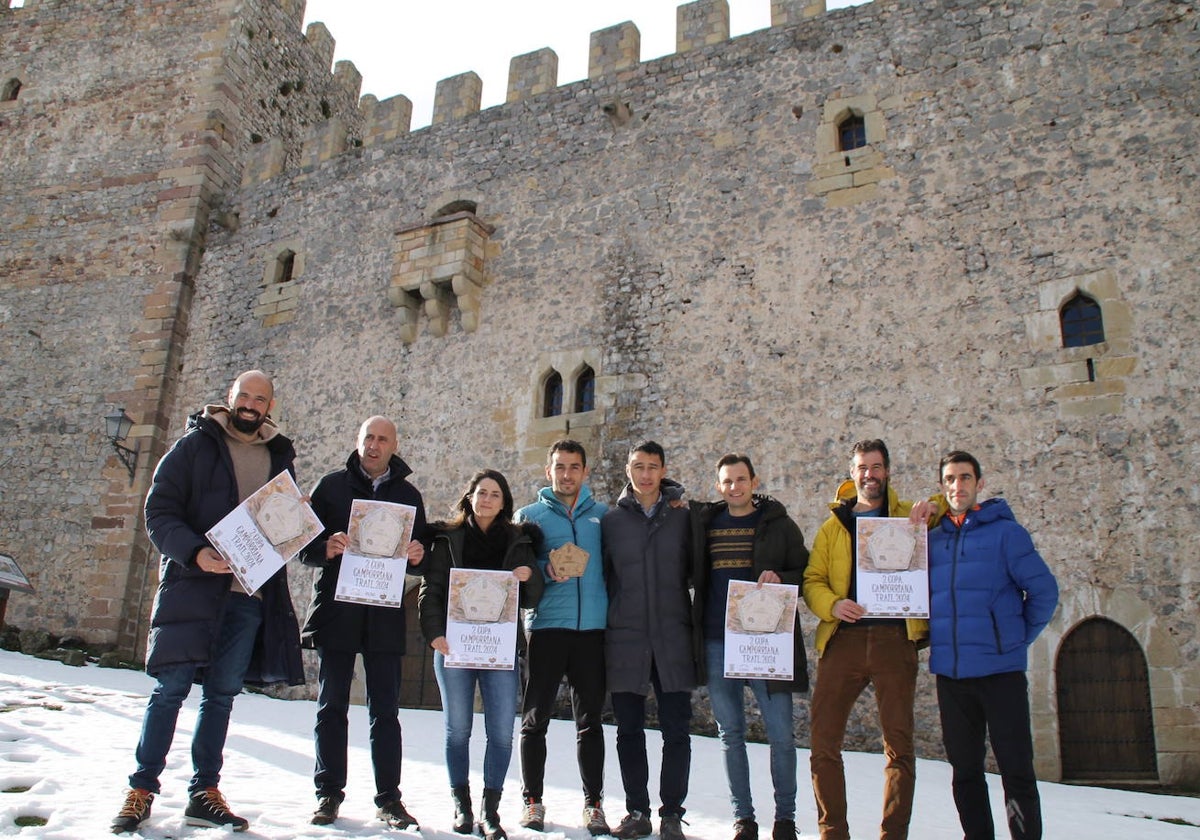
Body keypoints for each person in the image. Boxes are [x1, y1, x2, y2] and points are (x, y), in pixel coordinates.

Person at [111, 370, 305, 834]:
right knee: (170, 691)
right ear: (230, 399)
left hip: (247, 596)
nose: (250, 405)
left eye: (260, 399)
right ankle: (141, 788)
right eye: (244, 396)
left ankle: (204, 791)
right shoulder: (193, 446)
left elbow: (282, 525)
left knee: (220, 697)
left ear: (269, 407)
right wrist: (196, 552)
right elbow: (158, 512)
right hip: (192, 587)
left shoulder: (278, 456)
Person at [299, 416, 428, 829]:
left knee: (385, 712)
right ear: (358, 442)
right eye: (368, 438)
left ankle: (389, 799)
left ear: (394, 445)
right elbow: (303, 549)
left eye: (382, 439)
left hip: (384, 615)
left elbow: (421, 552)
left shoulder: (408, 495)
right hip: (338, 610)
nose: (374, 445)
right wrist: (326, 547)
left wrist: (417, 553)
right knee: (331, 706)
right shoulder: (330, 486)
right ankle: (328, 794)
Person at [927, 451, 1058, 840]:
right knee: (965, 773)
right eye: (950, 479)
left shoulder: (1006, 534)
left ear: (979, 483)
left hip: (1000, 673)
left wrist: (1015, 639)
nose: (958, 486)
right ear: (942, 486)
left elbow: (1044, 592)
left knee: (1016, 769)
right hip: (951, 675)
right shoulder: (932, 541)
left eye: (965, 478)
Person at [802, 439, 928, 840]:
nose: (869, 475)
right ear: (852, 472)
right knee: (823, 743)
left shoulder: (909, 516)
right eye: (862, 467)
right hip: (844, 640)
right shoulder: (833, 525)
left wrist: (937, 505)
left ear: (887, 471)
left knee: (899, 747)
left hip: (895, 639)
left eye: (876, 467)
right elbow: (812, 581)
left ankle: (894, 835)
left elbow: (950, 499)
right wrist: (833, 605)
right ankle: (833, 832)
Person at [418, 470, 544, 840]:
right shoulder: (448, 539)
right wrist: (434, 634)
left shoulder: (519, 541)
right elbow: (432, 589)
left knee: (502, 733)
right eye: (481, 492)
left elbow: (534, 597)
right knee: (457, 730)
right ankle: (462, 805)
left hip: (499, 651)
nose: (487, 499)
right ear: (469, 497)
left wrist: (528, 577)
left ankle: (490, 811)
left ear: (504, 502)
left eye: (495, 494)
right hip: (453, 647)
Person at [690, 454, 809, 840]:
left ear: (754, 481)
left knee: (781, 735)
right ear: (718, 485)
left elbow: (806, 573)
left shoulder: (779, 525)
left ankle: (785, 819)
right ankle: (743, 817)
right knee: (731, 734)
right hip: (717, 639)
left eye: (741, 479)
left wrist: (783, 576)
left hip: (767, 641)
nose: (734, 487)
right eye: (727, 481)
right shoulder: (705, 524)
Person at [514, 439, 612, 836]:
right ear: (548, 470)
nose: (567, 474)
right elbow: (519, 569)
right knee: (535, 718)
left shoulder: (604, 517)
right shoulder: (529, 516)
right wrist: (544, 572)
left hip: (592, 630)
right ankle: (532, 801)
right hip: (546, 628)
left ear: (585, 472)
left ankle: (593, 805)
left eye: (574, 467)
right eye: (560, 467)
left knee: (590, 721)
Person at [602, 441, 695, 840]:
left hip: (673, 637)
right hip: (627, 638)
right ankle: (637, 811)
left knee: (676, 730)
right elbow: (605, 579)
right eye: (638, 466)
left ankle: (671, 813)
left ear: (663, 471)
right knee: (629, 730)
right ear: (628, 469)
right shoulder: (610, 522)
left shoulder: (684, 518)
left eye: (652, 467)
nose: (645, 474)